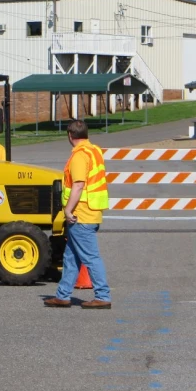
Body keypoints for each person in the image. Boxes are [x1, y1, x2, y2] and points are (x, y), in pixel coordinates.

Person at [45, 120, 111, 309]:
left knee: (90, 257)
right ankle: (63, 295)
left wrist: (67, 210)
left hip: (80, 214)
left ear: (69, 135)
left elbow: (79, 184)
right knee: (71, 256)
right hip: (91, 211)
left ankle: (103, 295)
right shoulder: (94, 150)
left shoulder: (79, 156)